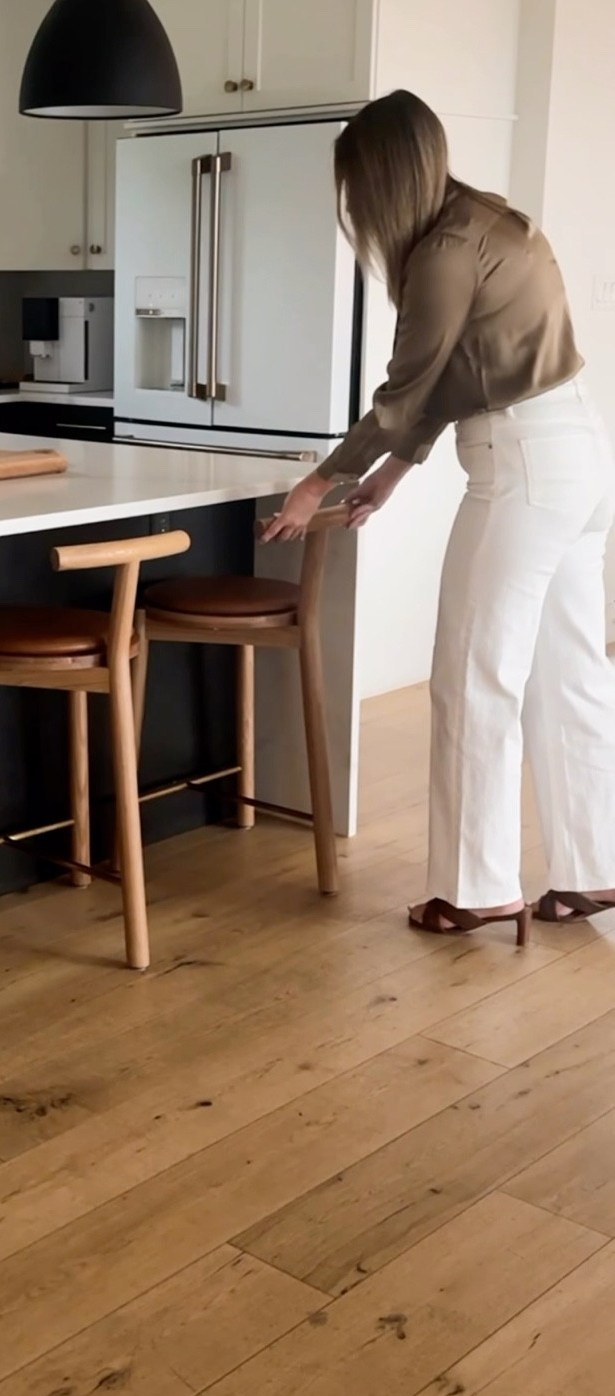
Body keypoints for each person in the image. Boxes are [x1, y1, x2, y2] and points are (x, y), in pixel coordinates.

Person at [261, 88, 615, 943]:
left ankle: (474, 886)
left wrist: (319, 483)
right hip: (576, 455)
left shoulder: (443, 254)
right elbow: (458, 378)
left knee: (471, 673)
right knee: (569, 670)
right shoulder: (489, 221)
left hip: (521, 470)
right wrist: (392, 475)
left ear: (375, 183)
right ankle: (592, 870)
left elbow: (401, 397)